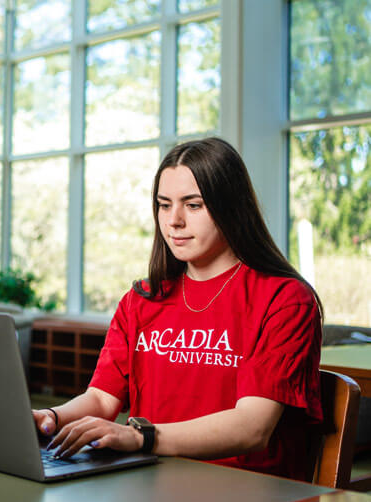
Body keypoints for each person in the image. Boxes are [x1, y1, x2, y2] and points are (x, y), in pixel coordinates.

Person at [33, 137, 323, 481]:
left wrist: (142, 436)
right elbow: (100, 398)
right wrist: (49, 416)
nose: (174, 221)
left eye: (194, 205)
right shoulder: (142, 299)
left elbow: (252, 428)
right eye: (164, 204)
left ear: (232, 206)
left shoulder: (285, 299)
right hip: (150, 483)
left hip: (245, 493)